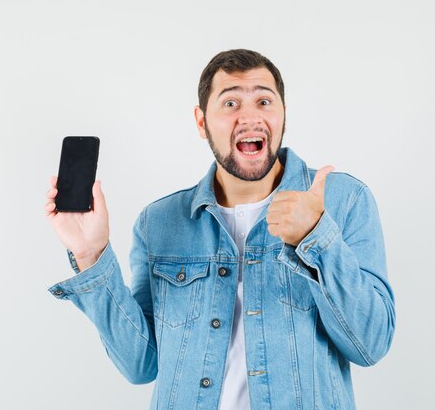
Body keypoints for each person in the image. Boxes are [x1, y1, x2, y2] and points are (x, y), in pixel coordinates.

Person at [44, 49, 395, 410]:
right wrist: (90, 255)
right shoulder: (159, 223)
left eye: (264, 100)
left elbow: (370, 345)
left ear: (283, 114)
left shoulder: (344, 201)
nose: (250, 116)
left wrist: (316, 237)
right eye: (230, 103)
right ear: (201, 122)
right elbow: (142, 364)